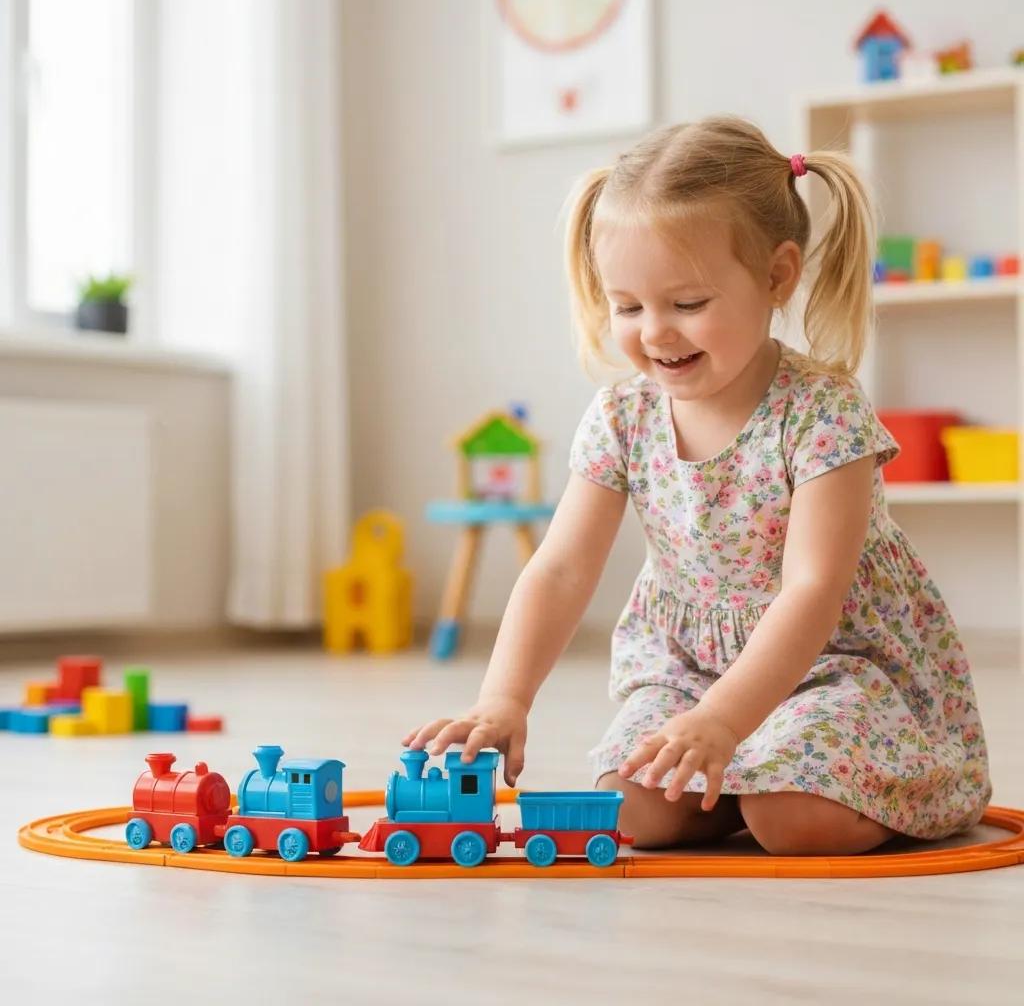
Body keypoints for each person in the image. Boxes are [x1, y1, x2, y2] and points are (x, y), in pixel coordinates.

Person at [403, 116, 992, 855]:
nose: (656, 333)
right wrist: (504, 699)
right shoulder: (624, 414)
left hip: (828, 668)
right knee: (633, 816)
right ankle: (742, 781)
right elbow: (560, 567)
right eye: (628, 307)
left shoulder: (823, 412)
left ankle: (802, 786)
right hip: (685, 666)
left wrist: (724, 721)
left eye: (687, 304)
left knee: (793, 825)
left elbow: (813, 590)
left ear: (778, 275)